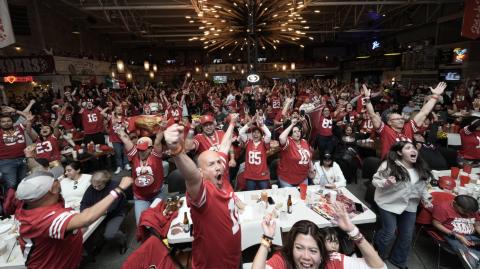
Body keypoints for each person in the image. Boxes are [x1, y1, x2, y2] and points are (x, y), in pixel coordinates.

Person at [163, 114, 241, 269]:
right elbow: (191, 176)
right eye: (211, 164)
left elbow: (224, 146)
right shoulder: (203, 192)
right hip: (213, 264)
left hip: (233, 257)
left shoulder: (221, 176)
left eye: (219, 162)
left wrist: (232, 123)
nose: (218, 166)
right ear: (201, 172)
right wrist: (177, 151)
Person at [15, 170, 132, 269]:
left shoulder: (24, 207)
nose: (61, 179)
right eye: (56, 180)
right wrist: (119, 189)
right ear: (53, 188)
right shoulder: (48, 218)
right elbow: (86, 218)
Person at [251, 203, 386, 269]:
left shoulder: (333, 261)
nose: (306, 257)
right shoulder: (284, 260)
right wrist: (267, 239)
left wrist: (352, 230)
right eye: (299, 248)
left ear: (322, 253)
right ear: (291, 248)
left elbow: (379, 267)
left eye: (313, 250)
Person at [372, 141, 433, 269]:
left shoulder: (421, 168)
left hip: (410, 204)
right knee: (389, 232)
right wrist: (386, 182)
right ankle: (378, 257)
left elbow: (422, 187)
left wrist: (426, 198)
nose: (413, 150)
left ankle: (398, 260)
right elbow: (375, 181)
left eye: (414, 148)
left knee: (407, 234)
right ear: (399, 152)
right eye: (408, 148)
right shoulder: (389, 165)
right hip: (388, 203)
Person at [363, 82, 447, 158]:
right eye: (397, 119)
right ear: (389, 122)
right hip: (391, 165)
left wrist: (435, 96)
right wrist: (367, 98)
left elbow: (423, 112)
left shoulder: (408, 128)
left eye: (401, 118)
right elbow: (372, 115)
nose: (401, 120)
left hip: (408, 164)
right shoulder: (385, 130)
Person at [116, 126, 167, 224]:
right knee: (141, 223)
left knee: (159, 221)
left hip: (157, 194)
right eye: (139, 149)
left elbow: (157, 140)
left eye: (144, 150)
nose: (141, 152)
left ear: (150, 148)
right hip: (140, 197)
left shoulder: (155, 155)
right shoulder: (135, 155)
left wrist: (162, 128)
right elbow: (126, 140)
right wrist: (120, 130)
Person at [80, 170, 128, 254]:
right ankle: (93, 248)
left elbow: (113, 206)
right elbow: (84, 203)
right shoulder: (92, 187)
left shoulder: (114, 186)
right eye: (94, 186)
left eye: (99, 186)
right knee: (86, 233)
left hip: (115, 214)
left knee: (109, 235)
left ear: (105, 182)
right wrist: (84, 211)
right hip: (99, 215)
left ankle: (122, 240)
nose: (96, 188)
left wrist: (97, 212)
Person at [432, 195, 480, 269]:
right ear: (454, 203)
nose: (468, 214)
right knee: (464, 252)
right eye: (464, 212)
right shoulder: (442, 208)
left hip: (471, 234)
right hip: (452, 234)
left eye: (470, 213)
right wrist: (458, 236)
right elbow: (436, 224)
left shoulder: (471, 209)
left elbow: (477, 225)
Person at [277, 118, 313, 187]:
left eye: (299, 131)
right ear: (291, 133)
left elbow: (309, 156)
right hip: (287, 180)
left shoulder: (304, 142)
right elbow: (281, 138)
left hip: (303, 178)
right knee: (290, 198)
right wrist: (292, 124)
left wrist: (311, 168)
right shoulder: (288, 141)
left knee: (303, 197)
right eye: (295, 131)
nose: (298, 133)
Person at [239, 116, 272, 190]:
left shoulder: (264, 143)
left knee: (265, 195)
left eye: (258, 133)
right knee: (251, 195)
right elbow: (241, 132)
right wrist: (250, 122)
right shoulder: (248, 142)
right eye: (254, 132)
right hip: (250, 175)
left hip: (262, 175)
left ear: (261, 135)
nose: (255, 134)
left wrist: (262, 124)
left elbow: (269, 134)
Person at [0, 113, 31, 190]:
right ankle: (10, 201)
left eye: (8, 121)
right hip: (6, 161)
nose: (6, 123)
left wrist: (16, 111)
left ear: (12, 122)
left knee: (23, 182)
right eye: (3, 121)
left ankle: (21, 201)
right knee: (11, 184)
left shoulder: (19, 127)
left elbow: (27, 118)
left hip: (23, 159)